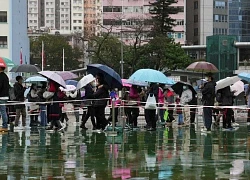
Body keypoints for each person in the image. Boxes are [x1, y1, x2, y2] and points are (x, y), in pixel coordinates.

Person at [0, 65, 9, 132]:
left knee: (3, 111)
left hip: (1, 96)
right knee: (3, 111)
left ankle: (5, 125)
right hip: (5, 96)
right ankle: (4, 125)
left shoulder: (1, 76)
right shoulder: (6, 76)